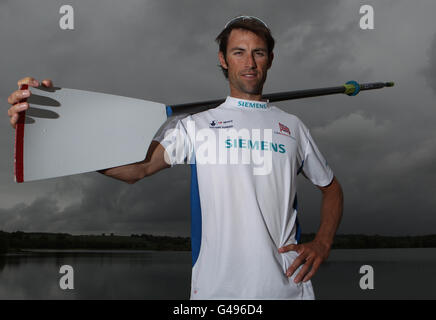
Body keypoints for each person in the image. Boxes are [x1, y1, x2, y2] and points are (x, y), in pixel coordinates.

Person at [7, 16, 343, 300]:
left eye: (258, 53)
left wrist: (323, 242)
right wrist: (54, 129)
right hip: (216, 293)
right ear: (223, 59)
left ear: (270, 59)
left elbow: (331, 189)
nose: (250, 62)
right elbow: (137, 168)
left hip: (288, 290)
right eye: (239, 52)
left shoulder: (292, 127)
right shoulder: (196, 126)